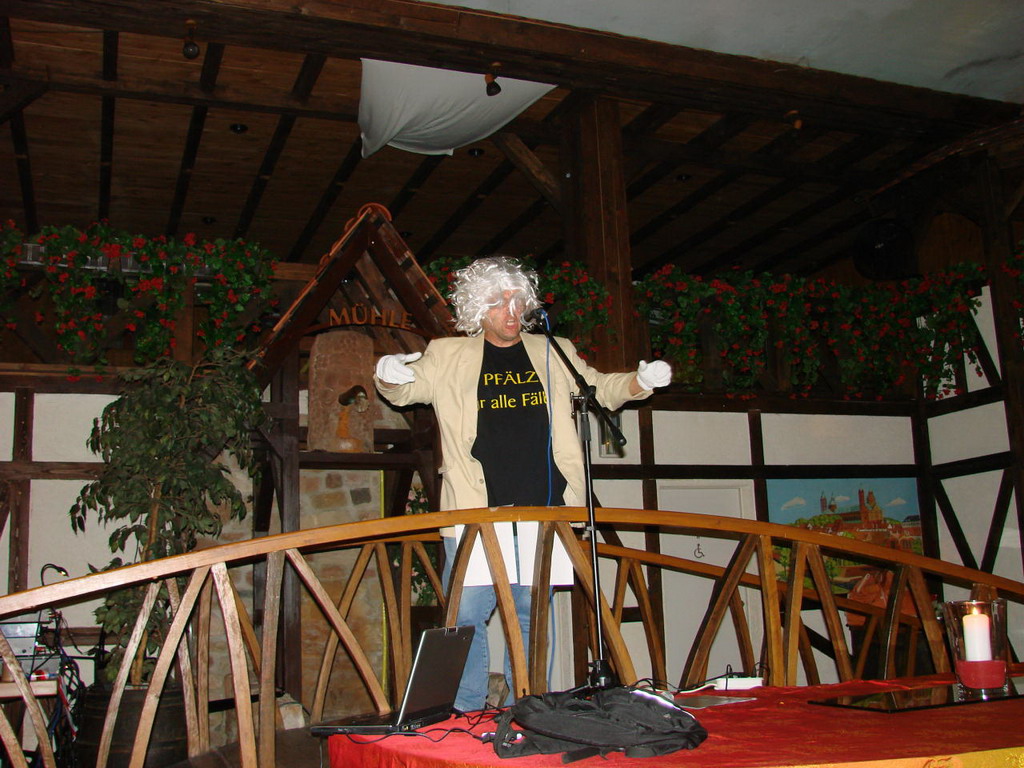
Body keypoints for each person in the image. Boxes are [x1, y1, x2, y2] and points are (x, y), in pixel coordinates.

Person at [374, 256, 672, 712]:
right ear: (478, 309)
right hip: (476, 510)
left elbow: (597, 389)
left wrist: (639, 381)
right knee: (465, 616)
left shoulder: (555, 350)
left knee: (534, 617)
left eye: (517, 301)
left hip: (543, 509)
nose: (510, 311)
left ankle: (529, 710)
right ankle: (467, 713)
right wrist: (388, 375)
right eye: (497, 302)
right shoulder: (447, 354)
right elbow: (407, 389)